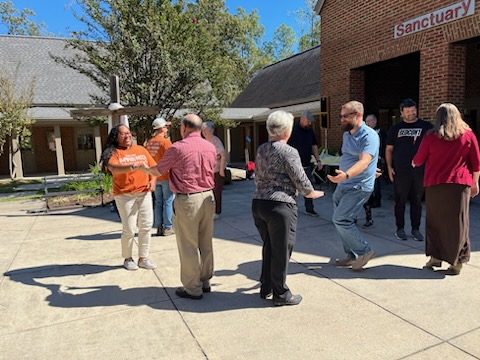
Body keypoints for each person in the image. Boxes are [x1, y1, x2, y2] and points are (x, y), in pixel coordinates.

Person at [141, 114, 216, 300]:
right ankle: (205, 280)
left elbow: (158, 170)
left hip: (188, 198)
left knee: (188, 244)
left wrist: (143, 168)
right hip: (208, 196)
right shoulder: (210, 146)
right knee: (206, 242)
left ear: (184, 128)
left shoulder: (178, 148)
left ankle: (192, 287)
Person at [252, 110, 324, 306]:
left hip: (259, 203)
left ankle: (266, 286)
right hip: (280, 204)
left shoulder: (262, 149)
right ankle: (281, 294)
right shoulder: (288, 151)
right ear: (287, 130)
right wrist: (311, 192)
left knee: (269, 246)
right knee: (282, 250)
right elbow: (300, 177)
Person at [412, 103, 480, 275]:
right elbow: (476, 164)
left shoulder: (431, 137)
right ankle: (457, 262)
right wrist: (475, 183)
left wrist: (414, 162)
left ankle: (436, 257)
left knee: (435, 222)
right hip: (459, 185)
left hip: (435, 184)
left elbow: (418, 160)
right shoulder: (468, 136)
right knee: (458, 224)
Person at [328, 101, 379, 271]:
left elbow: (365, 160)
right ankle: (350, 255)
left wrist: (347, 174)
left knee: (341, 219)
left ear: (357, 116)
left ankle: (364, 251)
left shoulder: (369, 136)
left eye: (345, 116)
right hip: (344, 184)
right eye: (340, 116)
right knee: (340, 220)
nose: (341, 119)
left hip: (358, 185)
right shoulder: (347, 134)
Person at [100, 124, 157, 271]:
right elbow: (113, 168)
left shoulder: (141, 150)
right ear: (116, 137)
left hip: (144, 193)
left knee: (146, 225)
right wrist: (132, 166)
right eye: (123, 134)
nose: (128, 136)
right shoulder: (113, 152)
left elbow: (152, 167)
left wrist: (152, 181)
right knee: (129, 228)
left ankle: (143, 257)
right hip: (125, 195)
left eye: (129, 133)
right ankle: (128, 258)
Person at [385, 98, 432, 241]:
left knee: (417, 200)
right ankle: (400, 228)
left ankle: (415, 229)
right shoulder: (395, 129)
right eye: (407, 111)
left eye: (413, 110)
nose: (411, 113)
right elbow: (389, 149)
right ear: (401, 113)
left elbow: (433, 148)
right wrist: (389, 167)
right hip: (400, 171)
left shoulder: (426, 126)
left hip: (420, 171)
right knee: (400, 200)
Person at [287, 110, 322, 216]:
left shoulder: (310, 131)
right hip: (293, 165)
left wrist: (318, 160)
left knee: (308, 187)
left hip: (306, 164)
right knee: (291, 188)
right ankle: (289, 208)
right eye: (309, 121)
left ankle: (309, 209)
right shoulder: (292, 129)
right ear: (303, 119)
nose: (310, 124)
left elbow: (314, 145)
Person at [145, 116, 175, 236]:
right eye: (166, 127)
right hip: (165, 176)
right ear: (162, 128)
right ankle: (168, 227)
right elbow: (172, 158)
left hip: (154, 176)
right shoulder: (165, 142)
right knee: (168, 201)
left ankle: (159, 227)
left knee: (158, 202)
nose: (167, 129)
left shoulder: (149, 142)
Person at [362, 114, 386, 227]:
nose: (367, 123)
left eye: (369, 121)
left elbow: (385, 146)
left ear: (375, 121)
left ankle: (375, 202)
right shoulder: (362, 134)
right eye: (366, 121)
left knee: (375, 183)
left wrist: (381, 157)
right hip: (363, 164)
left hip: (376, 162)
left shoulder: (381, 133)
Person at [201, 121, 226, 220]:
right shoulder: (203, 141)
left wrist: (221, 170)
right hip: (207, 171)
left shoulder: (215, 141)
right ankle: (209, 210)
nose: (204, 132)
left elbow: (223, 155)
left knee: (217, 192)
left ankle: (217, 211)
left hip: (216, 170)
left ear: (211, 130)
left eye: (205, 130)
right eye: (203, 130)